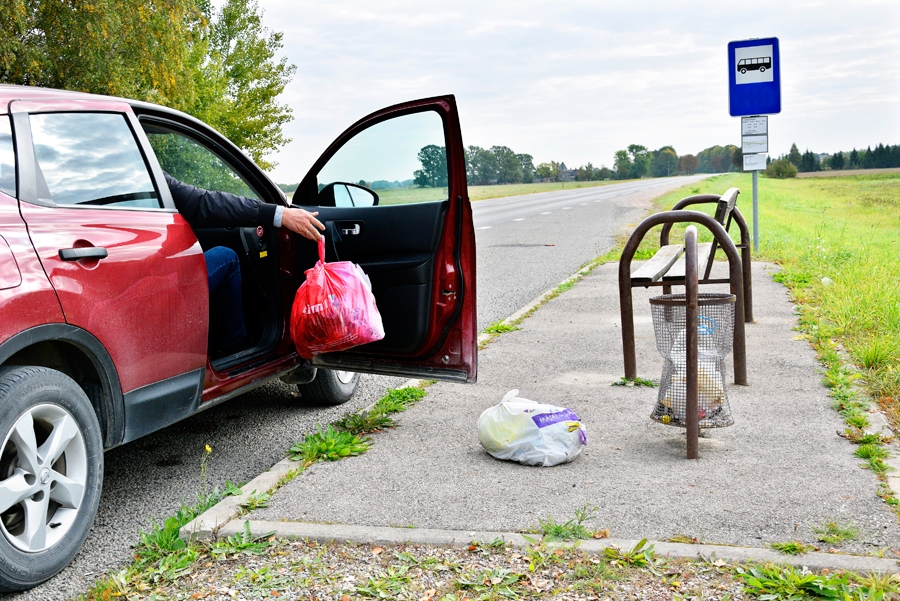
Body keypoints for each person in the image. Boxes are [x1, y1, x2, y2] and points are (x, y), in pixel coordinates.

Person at [164, 173, 325, 355]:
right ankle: (231, 344)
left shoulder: (131, 179)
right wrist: (279, 213)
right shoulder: (142, 172)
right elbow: (202, 203)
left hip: (144, 286)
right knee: (226, 256)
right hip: (160, 289)